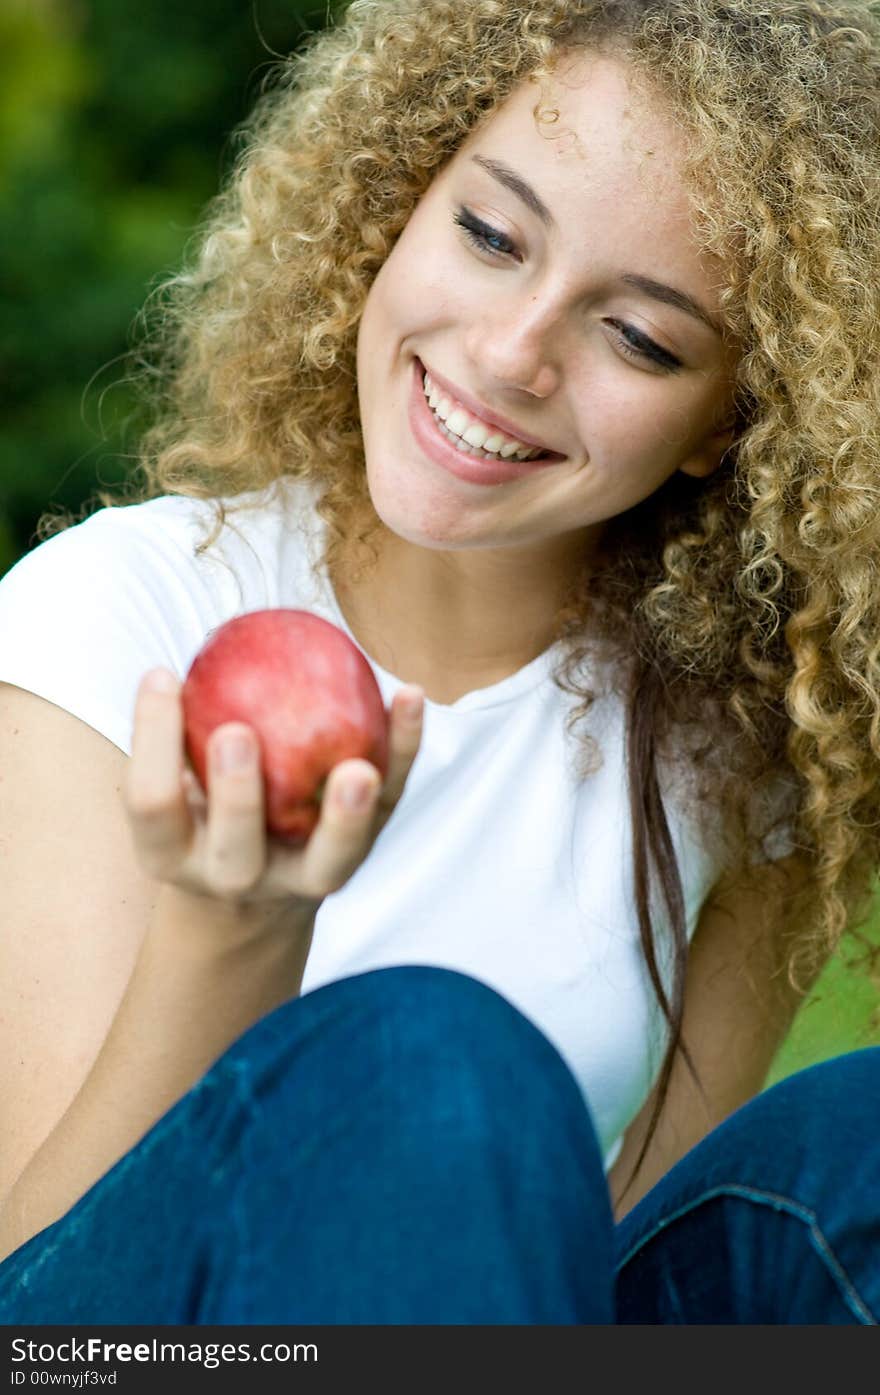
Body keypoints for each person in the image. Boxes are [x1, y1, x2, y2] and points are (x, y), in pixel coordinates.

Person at [0, 0, 877, 1325]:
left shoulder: (730, 758)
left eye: (641, 337)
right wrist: (234, 932)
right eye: (489, 236)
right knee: (438, 1055)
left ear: (725, 426)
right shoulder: (111, 619)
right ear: (394, 209)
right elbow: (44, 1289)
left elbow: (647, 1241)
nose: (513, 354)